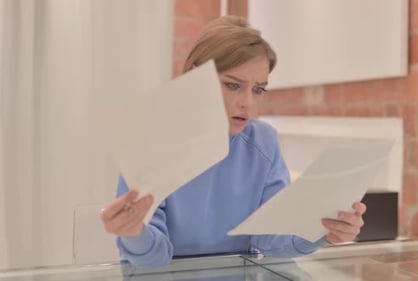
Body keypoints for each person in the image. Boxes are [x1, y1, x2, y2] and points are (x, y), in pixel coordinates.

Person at [99, 15, 366, 268]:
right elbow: (153, 260)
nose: (247, 103)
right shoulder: (151, 142)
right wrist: (135, 234)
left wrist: (322, 231)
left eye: (258, 88)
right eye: (233, 85)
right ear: (196, 77)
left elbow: (271, 239)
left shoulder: (264, 141)